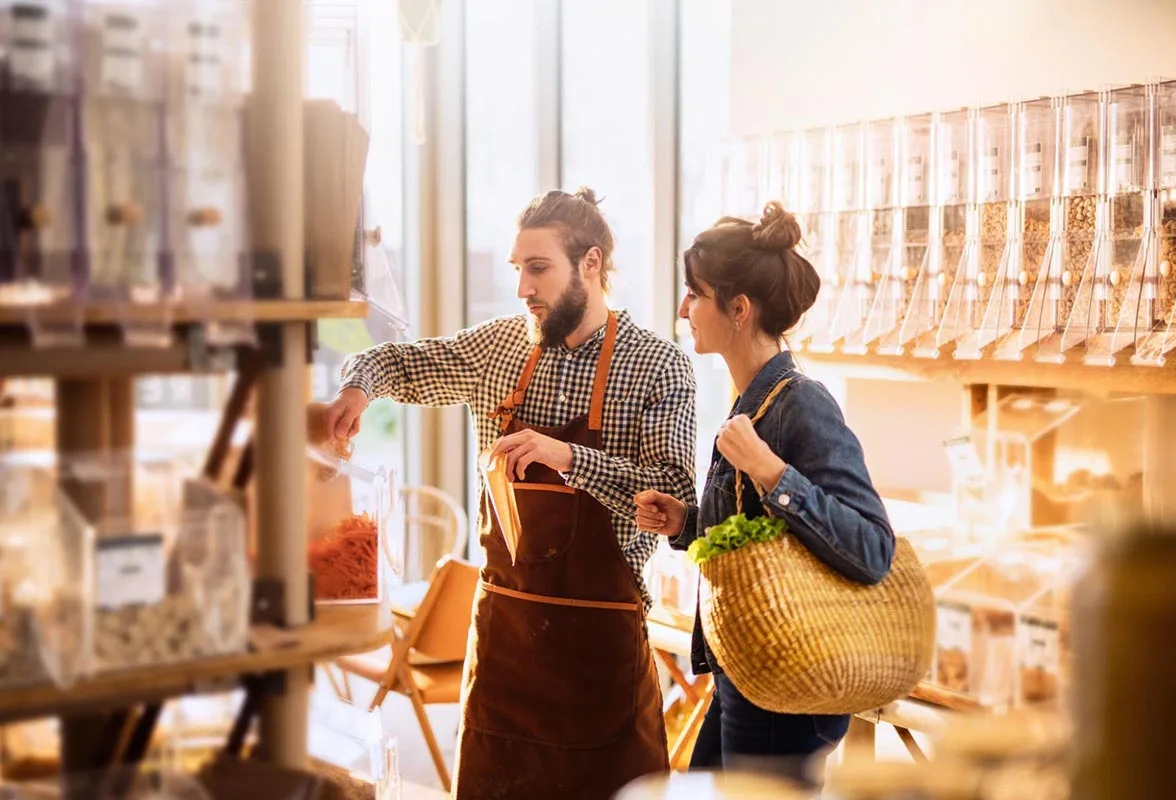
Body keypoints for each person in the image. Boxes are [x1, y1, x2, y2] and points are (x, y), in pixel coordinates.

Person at [325, 187, 697, 799]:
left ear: (592, 264)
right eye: (519, 269)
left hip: (599, 659)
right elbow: (401, 363)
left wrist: (568, 457)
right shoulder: (498, 347)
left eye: (539, 268)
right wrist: (359, 388)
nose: (524, 287)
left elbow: (672, 498)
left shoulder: (659, 366)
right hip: (506, 647)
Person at [633, 201, 895, 789]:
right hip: (747, 675)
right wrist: (686, 522)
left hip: (786, 695)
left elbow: (872, 548)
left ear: (739, 309)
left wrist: (773, 472)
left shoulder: (802, 403)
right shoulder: (750, 399)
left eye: (694, 294)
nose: (684, 310)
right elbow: (762, 542)